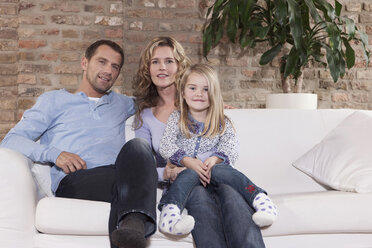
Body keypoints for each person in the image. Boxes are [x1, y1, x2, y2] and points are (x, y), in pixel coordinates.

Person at [0, 40, 157, 248]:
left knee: (138, 146)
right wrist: (54, 154)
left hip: (118, 174)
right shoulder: (53, 101)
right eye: (102, 62)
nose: (108, 71)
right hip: (75, 180)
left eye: (114, 66)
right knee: (127, 183)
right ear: (84, 63)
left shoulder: (123, 104)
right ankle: (135, 223)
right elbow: (11, 140)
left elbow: (159, 100)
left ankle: (132, 226)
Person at [133, 36, 267, 248]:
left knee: (234, 199)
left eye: (169, 61)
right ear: (147, 68)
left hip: (217, 175)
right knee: (201, 205)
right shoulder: (145, 117)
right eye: (155, 61)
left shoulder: (204, 105)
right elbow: (142, 166)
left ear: (180, 67)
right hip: (184, 182)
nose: (162, 67)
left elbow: (225, 139)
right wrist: (167, 173)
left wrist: (217, 109)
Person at [157, 63, 277, 235]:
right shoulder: (177, 118)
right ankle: (170, 215)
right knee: (187, 173)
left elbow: (231, 146)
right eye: (192, 88)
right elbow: (166, 144)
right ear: (183, 92)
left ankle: (260, 199)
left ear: (213, 94)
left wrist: (214, 160)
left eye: (206, 89)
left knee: (222, 170)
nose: (199, 93)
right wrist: (188, 161)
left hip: (215, 178)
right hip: (188, 177)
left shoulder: (222, 121)